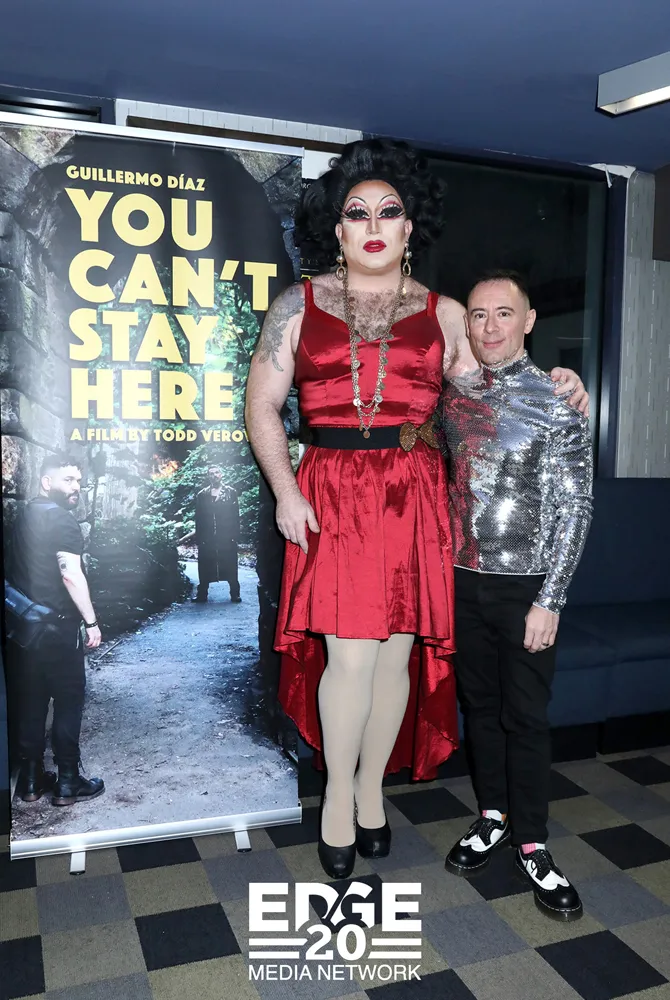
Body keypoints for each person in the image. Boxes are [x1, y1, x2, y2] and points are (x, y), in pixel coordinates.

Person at [245, 139, 587, 880]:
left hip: (415, 494)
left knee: (395, 656)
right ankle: (339, 799)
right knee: (349, 657)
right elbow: (262, 407)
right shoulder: (295, 306)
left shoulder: (447, 313)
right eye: (356, 212)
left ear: (408, 228)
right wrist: (287, 491)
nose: (373, 225)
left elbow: (499, 384)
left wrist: (561, 382)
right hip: (333, 492)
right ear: (338, 229)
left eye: (388, 211)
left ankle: (373, 790)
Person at [442, 271, 593, 921]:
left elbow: (576, 508)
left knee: (525, 718)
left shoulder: (559, 399)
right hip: (458, 581)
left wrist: (551, 599)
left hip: (526, 588)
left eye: (504, 313)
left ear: (528, 321)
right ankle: (494, 816)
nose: (491, 326)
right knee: (479, 708)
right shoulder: (451, 397)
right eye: (479, 314)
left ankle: (532, 842)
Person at [7, 454, 105, 806]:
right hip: (58, 629)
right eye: (68, 480)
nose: (76, 486)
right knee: (68, 700)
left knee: (31, 701)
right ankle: (67, 782)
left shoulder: (23, 516)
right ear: (47, 482)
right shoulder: (63, 520)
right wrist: (91, 622)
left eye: (78, 480)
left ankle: (31, 781)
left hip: (23, 631)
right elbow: (70, 574)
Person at [179, 465, 241, 603]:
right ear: (208, 476)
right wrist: (200, 537)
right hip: (207, 536)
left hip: (226, 535)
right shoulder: (202, 494)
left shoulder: (231, 492)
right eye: (211, 473)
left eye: (217, 472)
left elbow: (235, 516)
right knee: (205, 564)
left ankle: (235, 593)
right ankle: (202, 594)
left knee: (230, 563)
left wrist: (235, 535)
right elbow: (199, 517)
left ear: (221, 475)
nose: (214, 475)